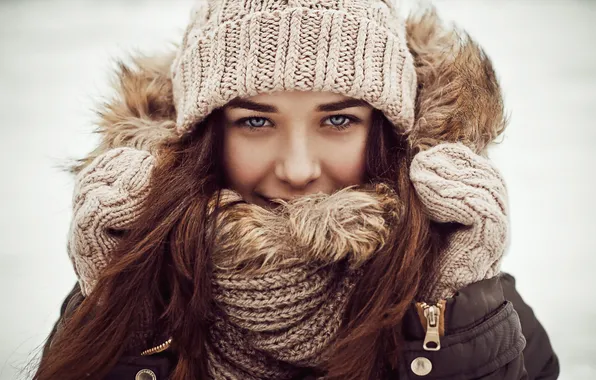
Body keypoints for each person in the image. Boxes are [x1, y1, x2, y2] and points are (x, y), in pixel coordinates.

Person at [35, 1, 559, 379]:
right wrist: (116, 305)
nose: (299, 169)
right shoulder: (152, 280)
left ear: (387, 133)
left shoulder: (489, 316)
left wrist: (450, 309)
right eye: (256, 123)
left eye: (337, 120)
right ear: (204, 136)